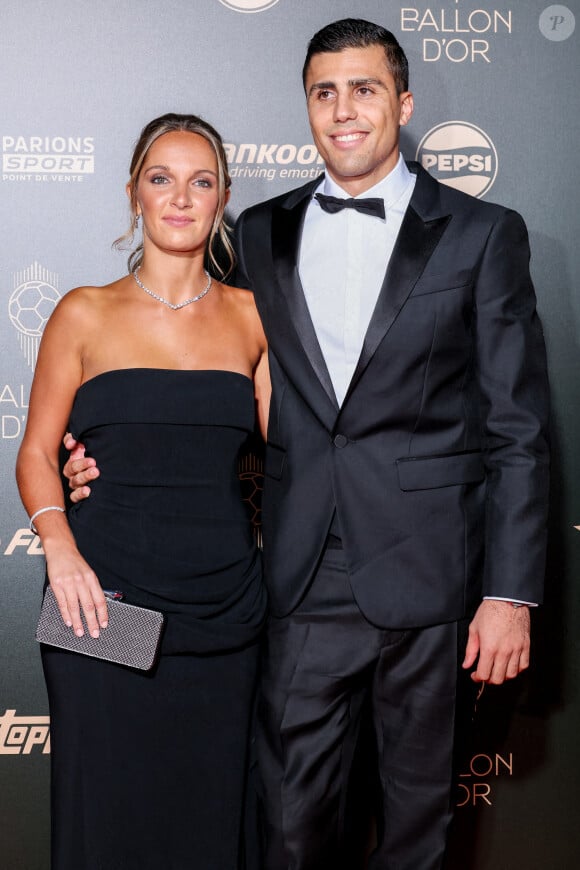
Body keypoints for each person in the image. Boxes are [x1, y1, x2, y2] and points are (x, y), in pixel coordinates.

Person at [65, 18, 550, 870]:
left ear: (401, 103)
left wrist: (510, 594)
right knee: (284, 828)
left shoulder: (483, 234)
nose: (343, 110)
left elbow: (518, 428)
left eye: (364, 89)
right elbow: (199, 377)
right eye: (324, 93)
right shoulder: (259, 234)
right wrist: (97, 456)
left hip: (431, 579)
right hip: (294, 580)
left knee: (417, 831)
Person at [16, 113, 269, 870]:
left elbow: (303, 455)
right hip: (103, 605)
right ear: (134, 194)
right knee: (109, 822)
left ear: (223, 197)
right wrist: (60, 550)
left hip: (227, 614)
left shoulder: (256, 319)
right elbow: (34, 451)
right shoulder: (82, 311)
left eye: (202, 182)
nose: (180, 198)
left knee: (212, 820)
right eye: (162, 179)